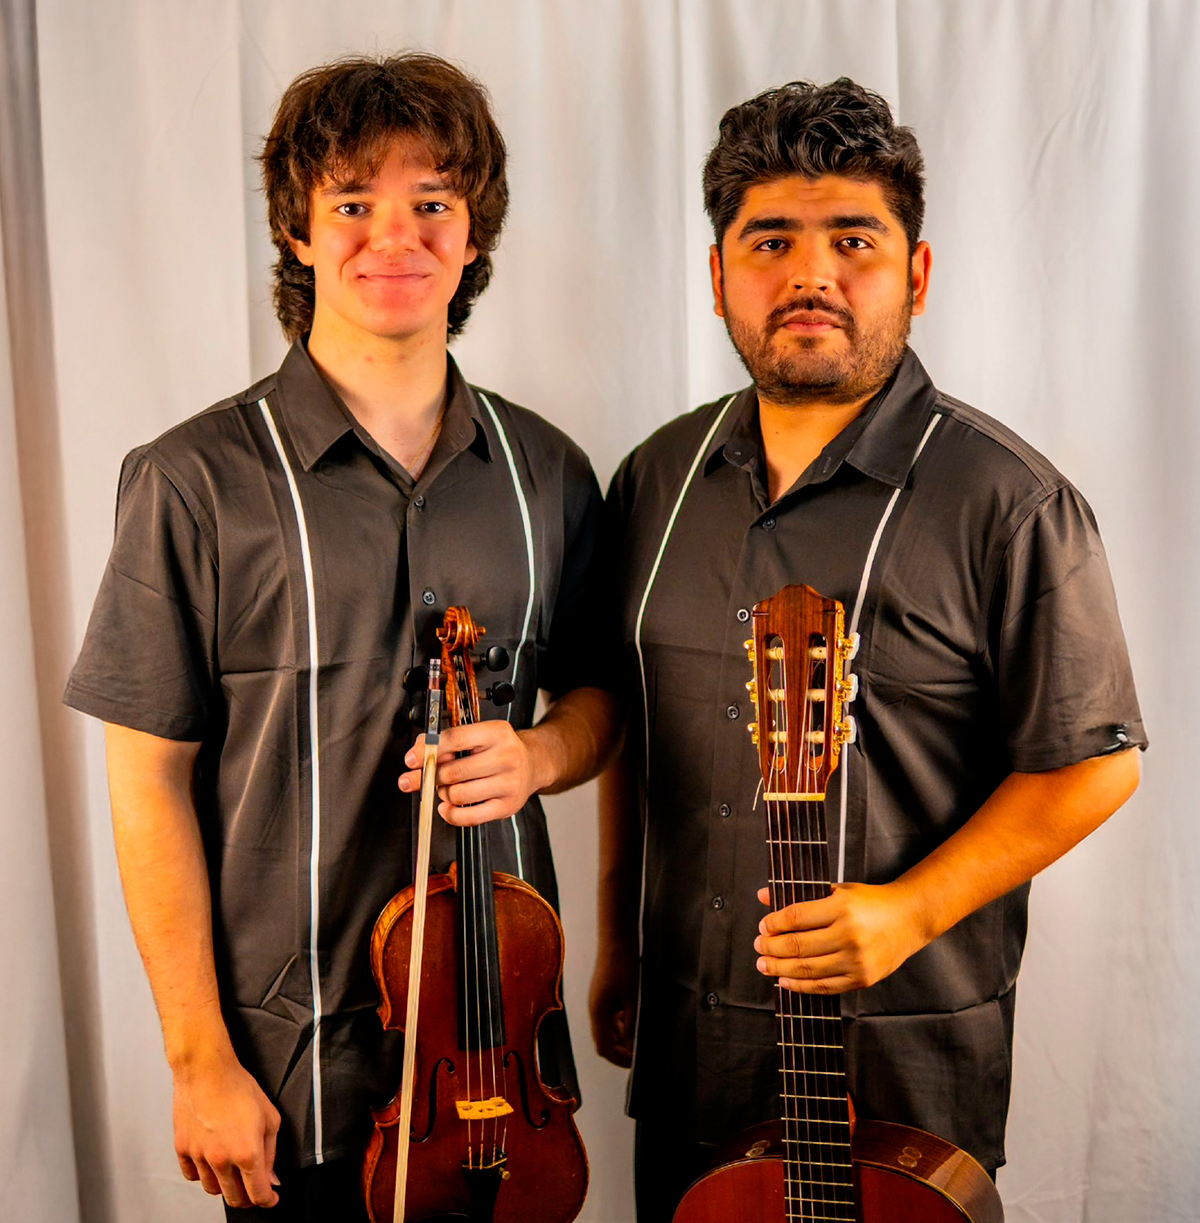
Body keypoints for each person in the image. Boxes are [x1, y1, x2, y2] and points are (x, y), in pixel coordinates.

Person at [65, 53, 616, 1219]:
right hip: (290, 1071)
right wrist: (195, 1056)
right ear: (300, 235)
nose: (394, 235)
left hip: (500, 1073)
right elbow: (147, 780)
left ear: (474, 238)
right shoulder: (191, 480)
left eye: (434, 203)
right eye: (352, 203)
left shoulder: (549, 472)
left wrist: (541, 756)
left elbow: (599, 700)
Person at [591, 77, 1145, 1220]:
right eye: (771, 240)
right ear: (717, 279)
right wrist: (613, 939)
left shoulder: (1008, 500)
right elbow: (630, 725)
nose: (812, 276)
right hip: (693, 1046)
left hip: (903, 1073)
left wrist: (912, 908)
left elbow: (1098, 760)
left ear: (917, 274)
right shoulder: (655, 478)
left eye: (854, 239)